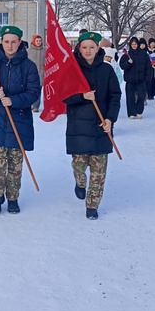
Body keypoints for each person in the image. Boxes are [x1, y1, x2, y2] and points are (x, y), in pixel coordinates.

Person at [0, 25, 40, 215]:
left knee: (15, 164)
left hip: (19, 121)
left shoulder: (29, 66)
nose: (10, 45)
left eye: (14, 41)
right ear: (1, 43)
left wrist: (13, 100)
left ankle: (13, 197)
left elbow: (33, 93)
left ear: (20, 43)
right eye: (6, 41)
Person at [63, 32, 121, 220]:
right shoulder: (71, 69)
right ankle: (80, 183)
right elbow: (63, 96)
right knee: (79, 166)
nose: (88, 51)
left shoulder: (106, 69)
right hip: (78, 127)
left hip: (100, 126)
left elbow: (115, 96)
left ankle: (92, 205)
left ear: (98, 48)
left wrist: (111, 119)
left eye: (92, 47)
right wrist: (82, 97)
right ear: (79, 48)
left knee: (98, 173)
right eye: (84, 47)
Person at [119, 37, 153, 119]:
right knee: (130, 97)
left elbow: (148, 67)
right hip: (130, 80)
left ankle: (139, 111)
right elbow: (122, 66)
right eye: (132, 44)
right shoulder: (127, 54)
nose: (134, 46)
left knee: (141, 96)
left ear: (138, 45)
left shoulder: (143, 54)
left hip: (141, 79)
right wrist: (128, 63)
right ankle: (131, 112)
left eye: (135, 44)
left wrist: (148, 77)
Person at [27, 34, 45, 113]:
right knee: (30, 90)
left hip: (41, 73)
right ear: (34, 41)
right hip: (31, 74)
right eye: (37, 41)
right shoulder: (28, 51)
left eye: (40, 41)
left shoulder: (45, 51)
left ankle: (36, 106)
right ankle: (30, 104)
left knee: (38, 90)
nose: (38, 42)